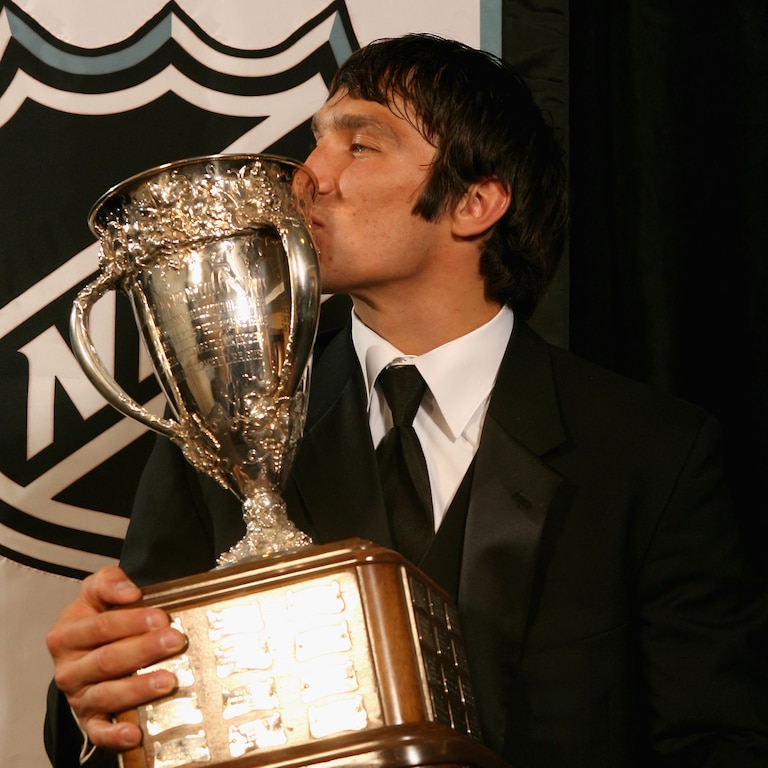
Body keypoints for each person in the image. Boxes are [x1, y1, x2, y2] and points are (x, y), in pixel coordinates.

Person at [44, 33, 768, 768]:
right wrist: (91, 703)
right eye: (315, 142)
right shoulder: (217, 427)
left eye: (361, 145)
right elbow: (132, 719)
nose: (305, 178)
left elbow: (718, 744)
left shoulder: (652, 454)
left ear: (475, 201)